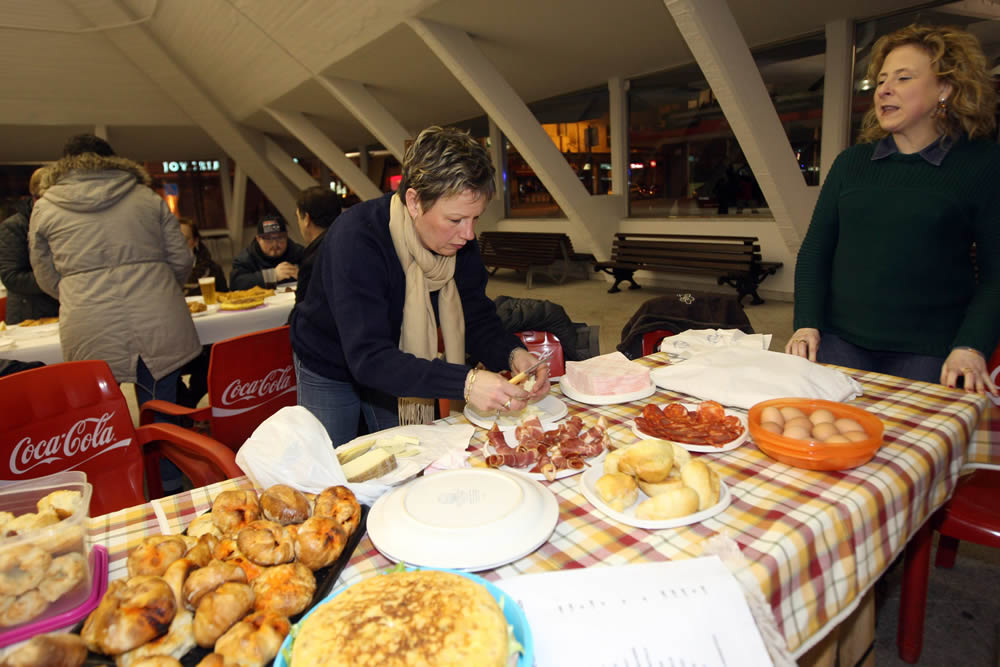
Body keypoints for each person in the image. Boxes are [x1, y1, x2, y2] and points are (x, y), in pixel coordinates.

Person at [290, 125, 550, 445]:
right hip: (330, 360)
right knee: (332, 463)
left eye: (475, 219)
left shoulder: (460, 242)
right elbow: (368, 358)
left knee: (406, 454)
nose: (468, 234)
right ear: (414, 202)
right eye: (455, 220)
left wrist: (512, 354)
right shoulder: (356, 239)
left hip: (398, 359)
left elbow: (475, 315)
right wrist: (466, 383)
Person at [786, 24, 1000, 394]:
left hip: (932, 352)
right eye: (882, 80)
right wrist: (807, 323)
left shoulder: (983, 165)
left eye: (903, 78)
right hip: (839, 342)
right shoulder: (852, 163)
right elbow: (815, 251)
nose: (884, 89)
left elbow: (997, 275)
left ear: (945, 89)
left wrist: (971, 345)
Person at [29, 134, 201, 407]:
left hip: (88, 321)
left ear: (64, 165)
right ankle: (165, 449)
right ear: (114, 160)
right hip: (157, 316)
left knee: (104, 421)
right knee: (163, 412)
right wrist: (163, 288)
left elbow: (45, 275)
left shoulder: (45, 208)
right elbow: (181, 259)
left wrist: (75, 293)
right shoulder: (147, 197)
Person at [0, 167, 60, 324]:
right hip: (29, 316)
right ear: (35, 198)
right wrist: (57, 278)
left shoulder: (60, 223)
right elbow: (12, 277)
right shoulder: (14, 227)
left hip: (58, 308)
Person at [293, 186, 342, 306]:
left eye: (298, 217)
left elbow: (304, 312)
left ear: (307, 219)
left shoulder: (313, 261)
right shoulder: (351, 245)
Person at [229, 213, 303, 290]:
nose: (275, 244)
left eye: (280, 238)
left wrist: (303, 274)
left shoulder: (298, 252)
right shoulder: (246, 258)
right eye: (268, 239)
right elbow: (236, 284)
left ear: (287, 237)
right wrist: (271, 276)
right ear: (258, 239)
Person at [178, 217, 228, 296]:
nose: (179, 244)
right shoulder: (161, 272)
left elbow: (225, 298)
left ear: (195, 241)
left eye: (185, 239)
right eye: (175, 240)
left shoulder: (213, 270)